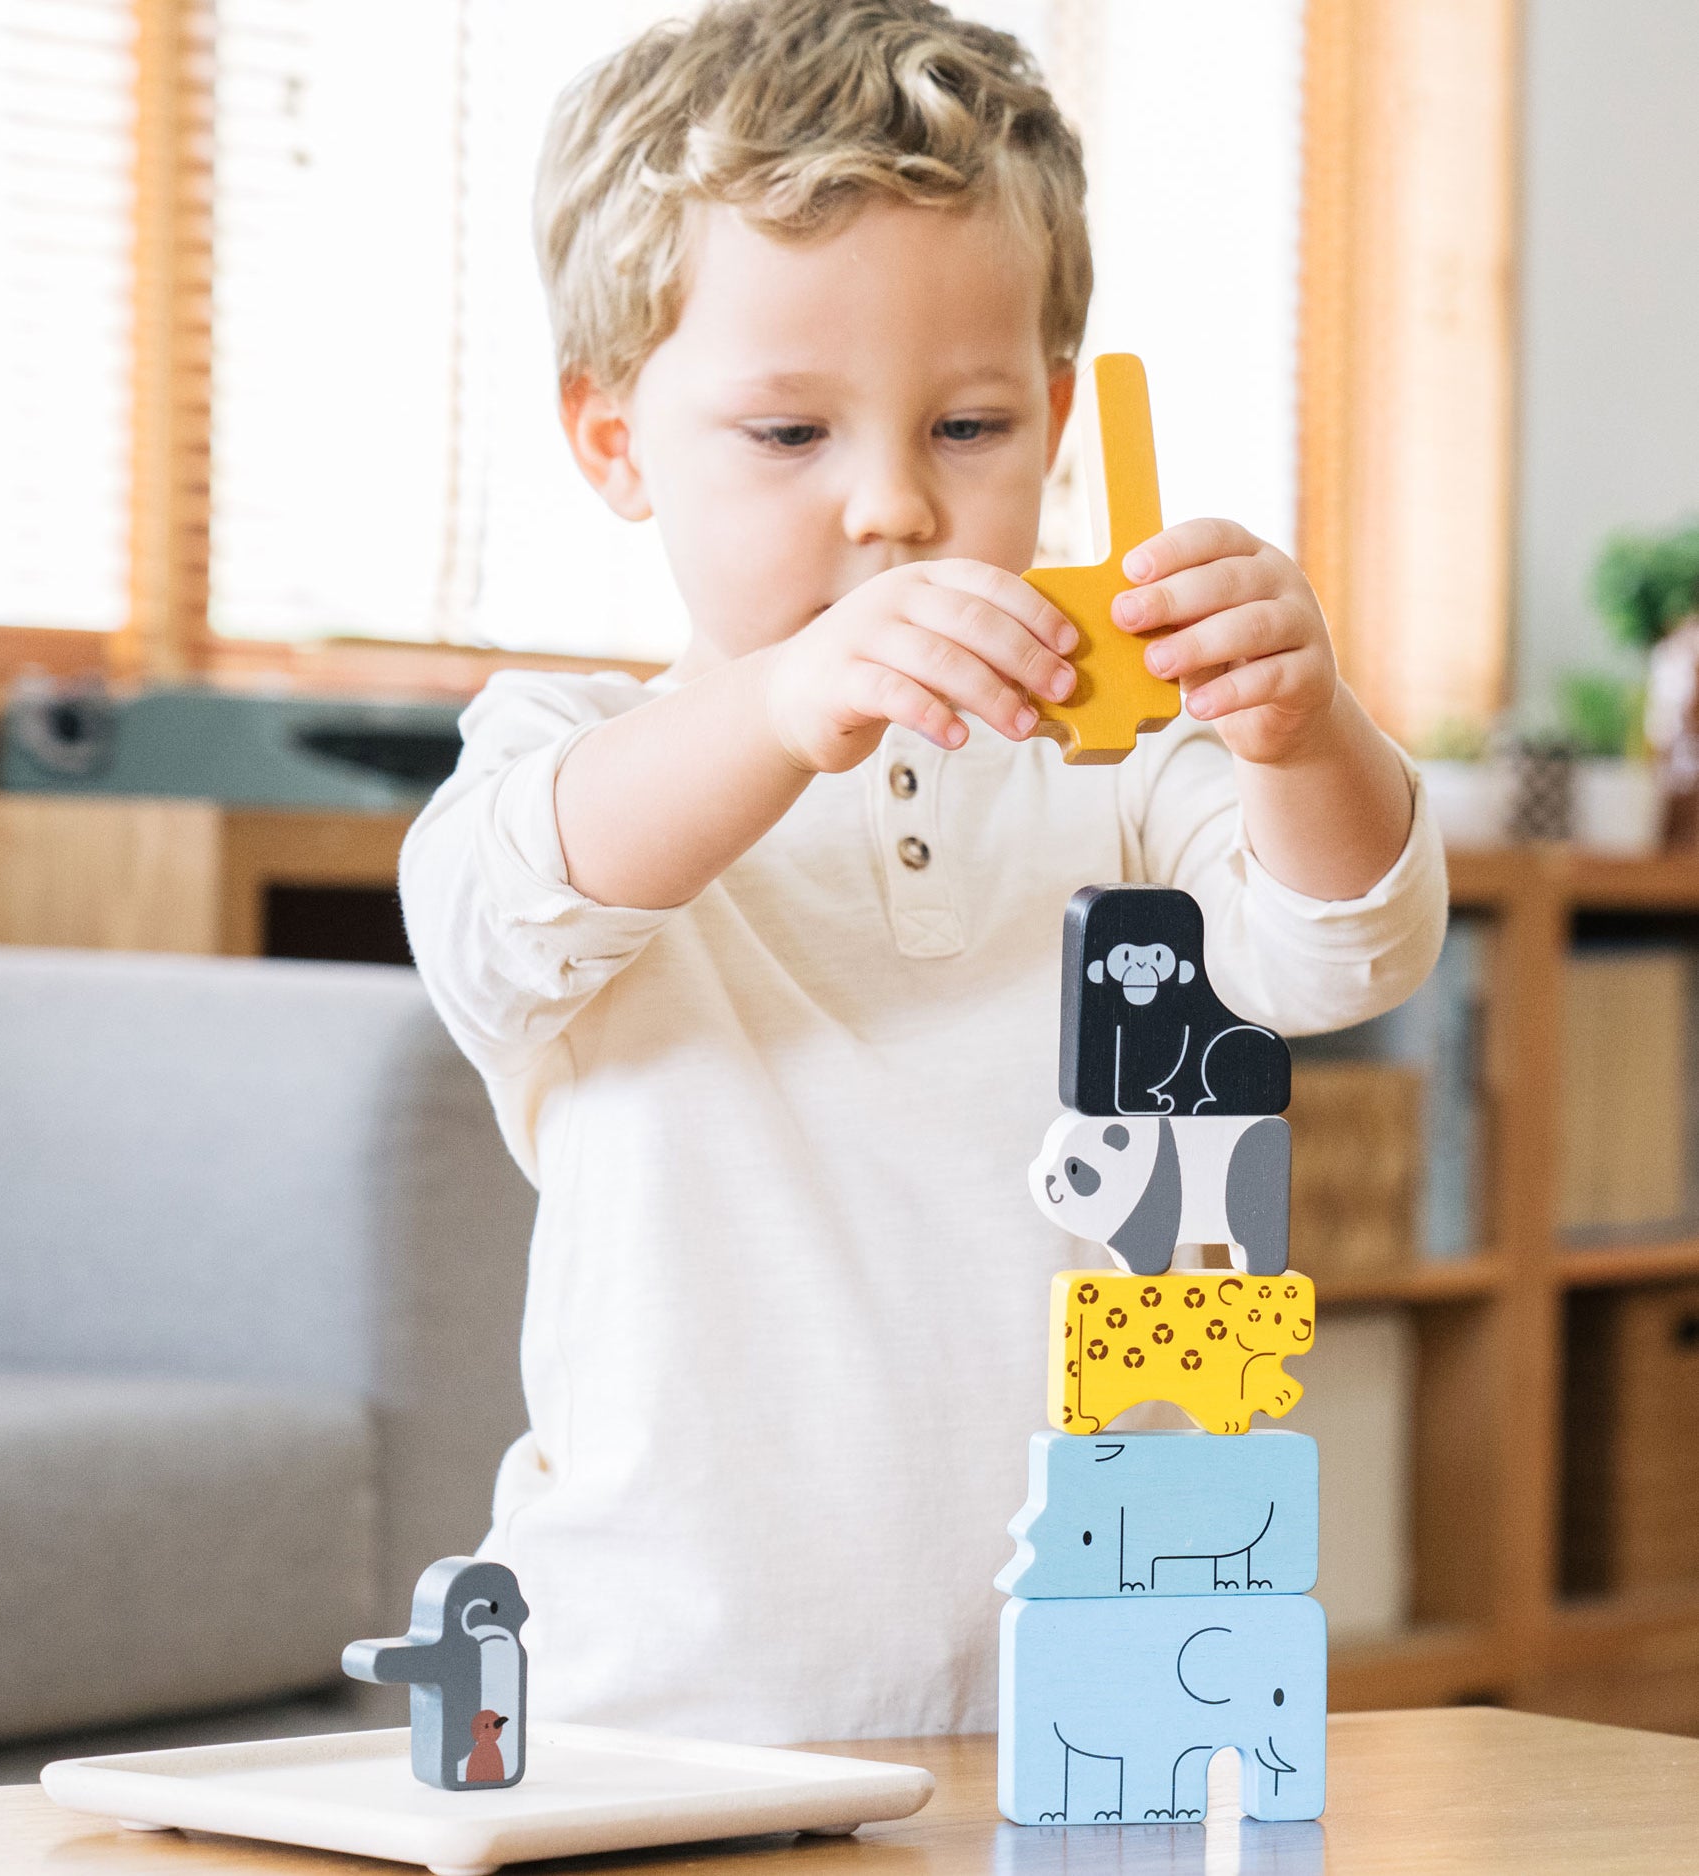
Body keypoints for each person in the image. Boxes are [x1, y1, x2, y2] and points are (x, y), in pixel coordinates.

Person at [401, 0, 1447, 1744]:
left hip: (1099, 1696)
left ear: (1056, 425)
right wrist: (784, 703)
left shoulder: (1127, 768)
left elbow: (1338, 954)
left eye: (965, 430)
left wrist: (1307, 727)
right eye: (789, 436)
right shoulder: (571, 750)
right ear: (611, 441)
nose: (888, 506)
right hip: (666, 1705)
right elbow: (497, 918)